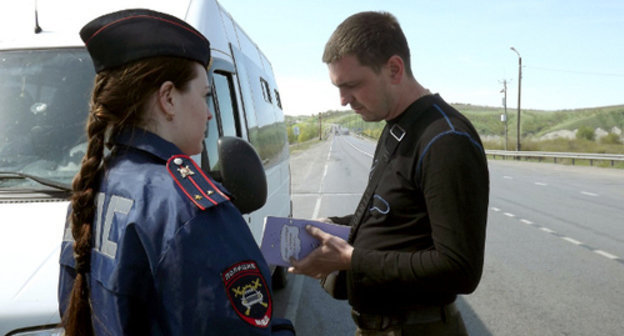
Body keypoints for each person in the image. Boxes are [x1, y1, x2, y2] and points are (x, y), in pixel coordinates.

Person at [58, 9, 294, 336]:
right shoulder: (189, 210)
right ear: (168, 99)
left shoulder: (93, 188)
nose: (209, 115)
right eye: (205, 96)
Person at [289, 11, 489, 336]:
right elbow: (393, 218)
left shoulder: (445, 139)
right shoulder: (396, 125)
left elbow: (459, 268)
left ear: (394, 69)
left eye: (352, 85)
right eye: (338, 87)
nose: (342, 101)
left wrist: (352, 259)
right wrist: (337, 228)